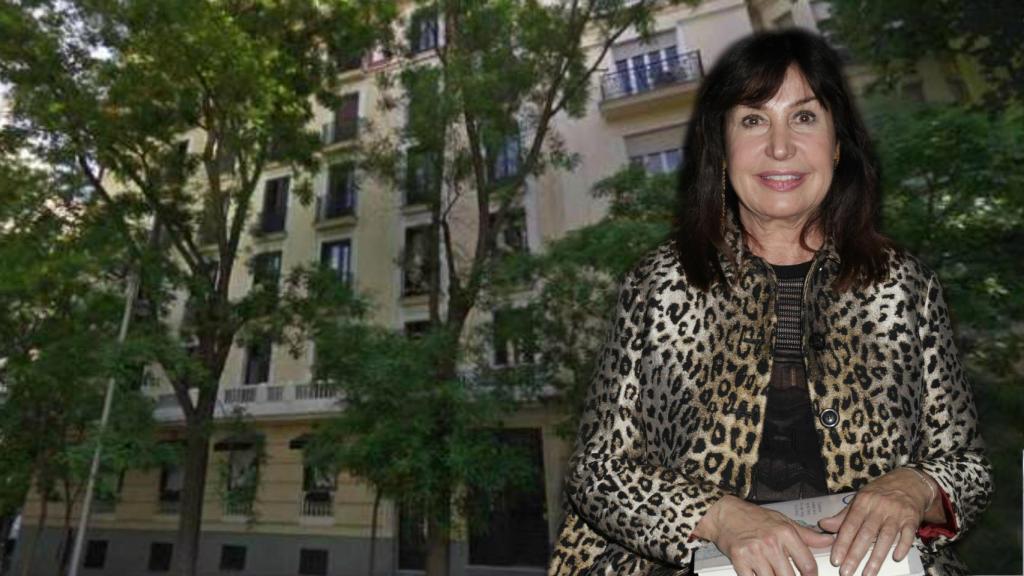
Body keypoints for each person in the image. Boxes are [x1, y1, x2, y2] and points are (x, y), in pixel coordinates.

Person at [548, 29, 992, 576]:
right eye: (753, 120)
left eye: (804, 118)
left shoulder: (905, 285)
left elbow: (967, 466)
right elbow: (597, 471)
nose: (780, 147)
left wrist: (916, 486)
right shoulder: (658, 284)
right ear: (724, 146)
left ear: (835, 143)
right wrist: (718, 517)